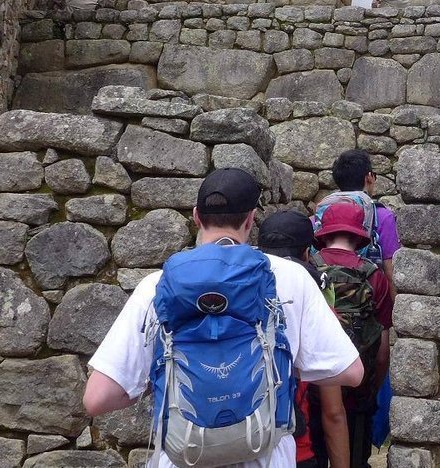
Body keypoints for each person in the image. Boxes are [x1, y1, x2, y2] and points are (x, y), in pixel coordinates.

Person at [83, 169, 363, 468]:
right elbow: (351, 373)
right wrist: (284, 366)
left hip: (184, 455)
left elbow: (97, 398)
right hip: (265, 455)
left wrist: (157, 379)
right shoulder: (290, 276)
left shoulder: (157, 285)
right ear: (250, 220)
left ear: (196, 216)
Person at [311, 201, 394, 468]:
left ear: (325, 232)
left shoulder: (309, 268)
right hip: (357, 388)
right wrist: (371, 388)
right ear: (359, 235)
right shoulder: (374, 276)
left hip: (313, 388)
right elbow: (382, 350)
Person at [261, 211, 335, 468]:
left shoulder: (239, 284)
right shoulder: (314, 286)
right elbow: (333, 409)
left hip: (232, 440)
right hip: (295, 445)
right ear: (306, 252)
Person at [322, 150, 401, 285]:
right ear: (369, 177)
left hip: (324, 290)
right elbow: (390, 271)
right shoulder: (382, 216)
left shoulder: (321, 213)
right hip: (366, 293)